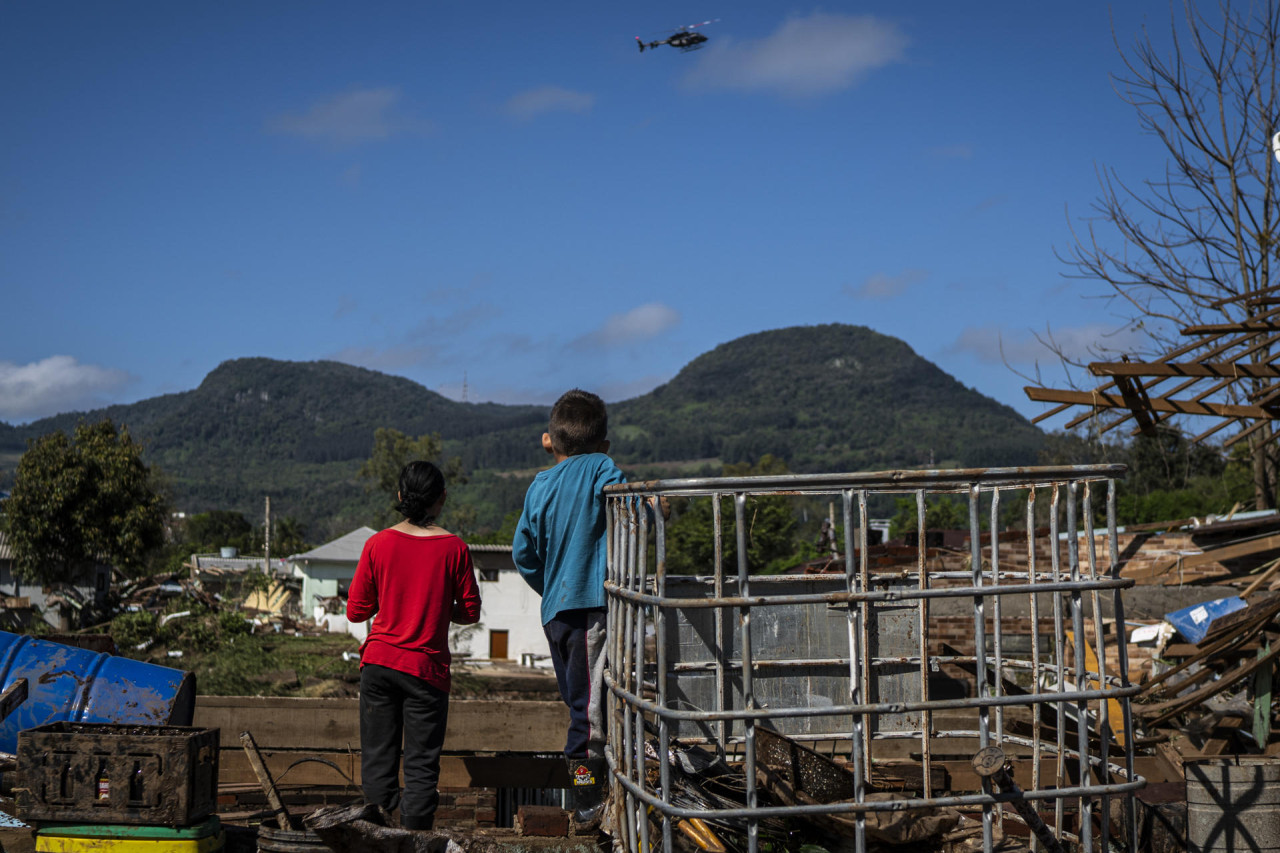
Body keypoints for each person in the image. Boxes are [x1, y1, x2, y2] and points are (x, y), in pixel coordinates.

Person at [347, 460, 482, 831]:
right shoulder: (454, 548)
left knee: (377, 758)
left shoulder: (377, 544)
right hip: (426, 671)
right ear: (441, 499)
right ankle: (415, 840)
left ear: (400, 496)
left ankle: (376, 835)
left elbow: (357, 611)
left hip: (378, 664)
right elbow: (470, 611)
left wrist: (392, 597)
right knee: (422, 764)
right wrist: (436, 607)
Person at [512, 389, 624, 824]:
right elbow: (625, 499)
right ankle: (585, 800)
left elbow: (523, 554)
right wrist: (657, 509)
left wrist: (552, 586)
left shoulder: (538, 485)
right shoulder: (600, 466)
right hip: (588, 612)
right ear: (604, 444)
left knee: (579, 702)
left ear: (547, 440)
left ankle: (588, 795)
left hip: (556, 614)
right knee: (591, 714)